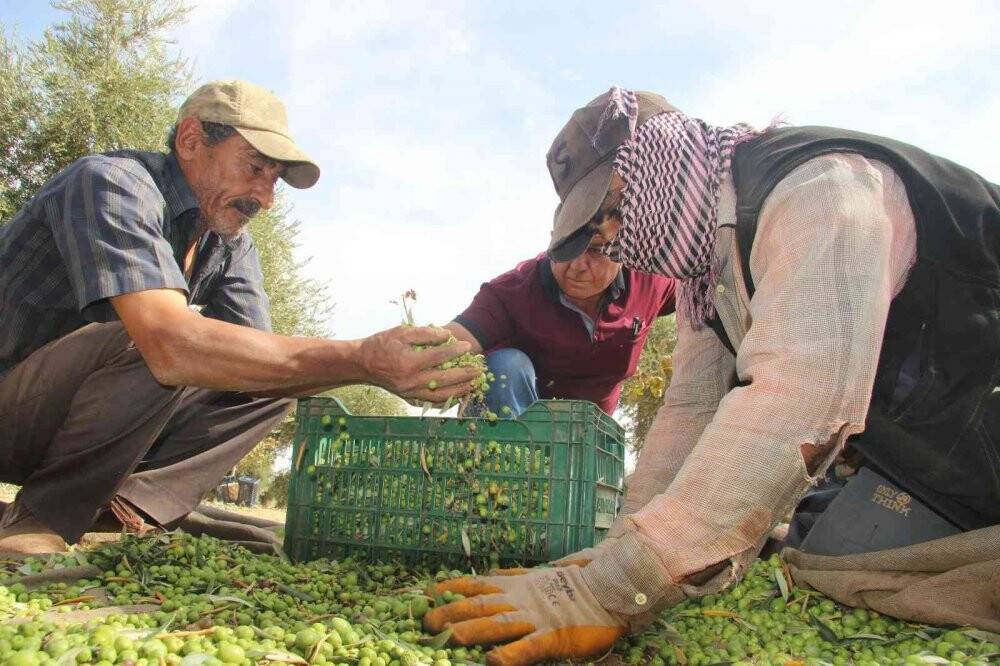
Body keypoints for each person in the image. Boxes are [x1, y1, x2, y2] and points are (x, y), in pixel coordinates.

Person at [424, 88, 1000, 665]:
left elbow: (801, 395)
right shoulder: (709, 271)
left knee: (861, 566)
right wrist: (620, 550)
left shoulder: (823, 190)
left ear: (665, 160)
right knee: (830, 552)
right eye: (598, 228)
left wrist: (616, 590)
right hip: (935, 439)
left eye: (616, 210)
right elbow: (690, 410)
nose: (613, 238)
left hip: (978, 419)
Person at [0, 80, 479, 555]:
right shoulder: (111, 184)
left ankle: (122, 510)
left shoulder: (229, 242)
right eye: (254, 169)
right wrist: (361, 358)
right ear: (190, 141)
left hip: (74, 432)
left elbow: (262, 362)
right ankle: (41, 517)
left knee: (279, 381)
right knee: (155, 339)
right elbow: (168, 342)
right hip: (14, 410)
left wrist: (348, 365)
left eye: (273, 180)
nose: (265, 198)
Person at [445, 240, 675, 417]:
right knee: (506, 365)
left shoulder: (650, 281)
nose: (576, 266)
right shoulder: (513, 291)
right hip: (519, 420)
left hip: (587, 430)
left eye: (595, 250)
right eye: (566, 246)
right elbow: (455, 340)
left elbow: (699, 296)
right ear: (553, 240)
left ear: (625, 249)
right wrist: (417, 356)